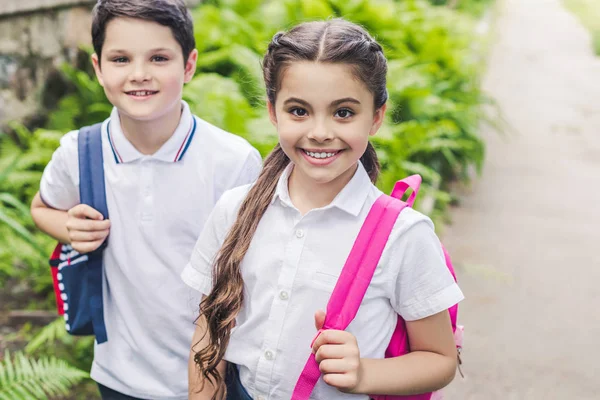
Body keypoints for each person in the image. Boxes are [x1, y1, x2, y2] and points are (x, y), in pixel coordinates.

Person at [182, 19, 464, 400]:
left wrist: (365, 372)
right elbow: (207, 330)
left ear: (377, 116)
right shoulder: (234, 210)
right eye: (298, 111)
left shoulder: (403, 236)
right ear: (272, 111)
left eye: (343, 113)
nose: (319, 132)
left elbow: (440, 359)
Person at [30, 1, 262, 399]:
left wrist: (211, 379)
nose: (139, 74)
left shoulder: (232, 160)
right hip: (120, 375)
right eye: (120, 59)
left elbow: (249, 274)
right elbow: (41, 207)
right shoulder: (79, 153)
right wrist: (69, 228)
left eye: (158, 57)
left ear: (188, 65)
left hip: (217, 373)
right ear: (98, 68)